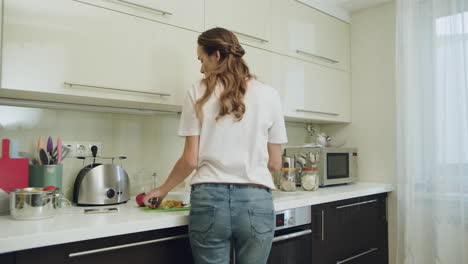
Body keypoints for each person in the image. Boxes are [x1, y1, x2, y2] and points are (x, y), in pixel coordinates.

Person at [143, 27, 288, 264]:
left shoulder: (197, 92)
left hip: (209, 202)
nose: (201, 68)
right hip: (256, 201)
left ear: (216, 56)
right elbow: (274, 163)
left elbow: (190, 160)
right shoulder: (270, 94)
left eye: (201, 59)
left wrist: (162, 189)